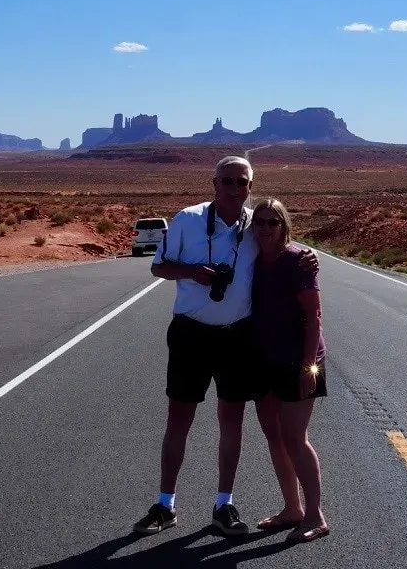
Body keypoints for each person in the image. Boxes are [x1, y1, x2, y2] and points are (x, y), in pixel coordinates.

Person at [133, 156, 318, 537]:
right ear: (214, 183)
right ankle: (165, 504)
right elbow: (158, 267)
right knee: (178, 420)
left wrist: (307, 256)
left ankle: (224, 504)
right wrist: (191, 272)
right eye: (228, 181)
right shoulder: (187, 220)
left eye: (242, 182)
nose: (235, 188)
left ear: (250, 187)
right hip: (191, 333)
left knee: (231, 421)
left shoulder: (254, 224)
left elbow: (278, 238)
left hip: (237, 337)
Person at [250, 197, 329, 543]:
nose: (266, 228)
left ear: (284, 226)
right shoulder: (252, 260)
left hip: (298, 361)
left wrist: (308, 367)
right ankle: (292, 509)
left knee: (296, 439)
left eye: (273, 222)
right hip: (264, 361)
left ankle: (315, 516)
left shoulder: (298, 261)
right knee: (275, 438)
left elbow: (314, 318)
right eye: (260, 222)